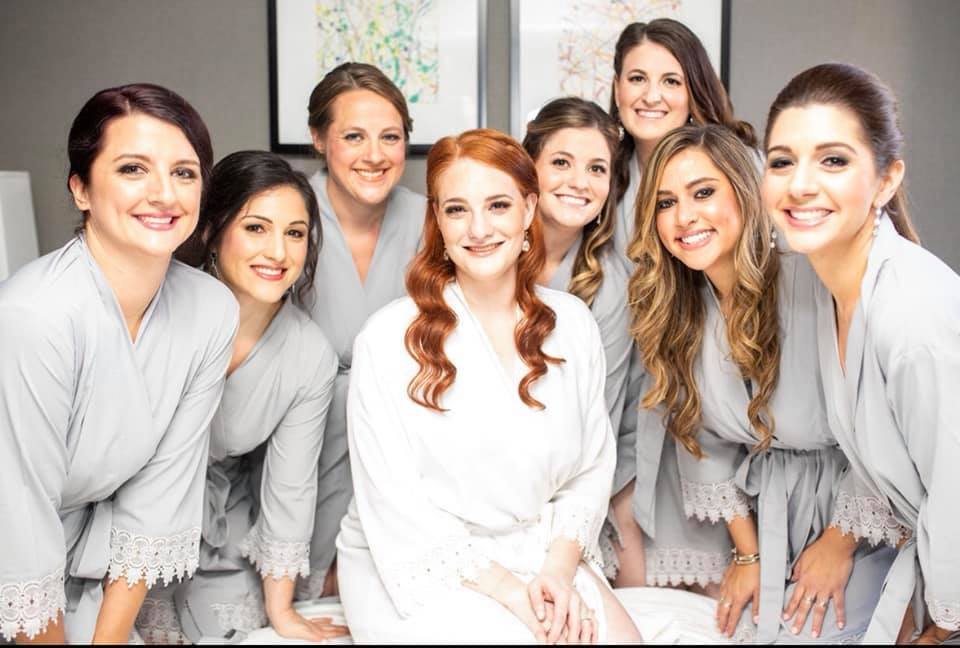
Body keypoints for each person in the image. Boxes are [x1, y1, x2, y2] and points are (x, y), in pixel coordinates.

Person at [336, 128, 642, 643]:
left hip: (540, 550)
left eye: (498, 205)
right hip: (419, 557)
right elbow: (396, 503)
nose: (478, 229)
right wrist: (515, 597)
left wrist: (557, 573)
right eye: (457, 210)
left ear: (528, 209)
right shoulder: (387, 339)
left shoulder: (573, 323)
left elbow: (591, 468)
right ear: (438, 221)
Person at [630, 123, 896, 643]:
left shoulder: (813, 282)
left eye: (703, 193)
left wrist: (838, 545)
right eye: (665, 203)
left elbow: (886, 423)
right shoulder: (682, 312)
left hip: (865, 517)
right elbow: (701, 444)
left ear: (744, 191)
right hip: (771, 523)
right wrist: (749, 554)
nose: (684, 217)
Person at [0, 83, 238, 643]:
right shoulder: (34, 315)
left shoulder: (210, 308)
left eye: (184, 173)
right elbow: (17, 512)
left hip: (85, 563)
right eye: (133, 169)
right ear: (80, 188)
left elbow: (159, 495)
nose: (165, 194)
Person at [763, 62, 960, 645]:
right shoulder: (825, 290)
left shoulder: (912, 311)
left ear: (886, 180)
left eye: (833, 160)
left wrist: (942, 625)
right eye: (782, 161)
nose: (800, 185)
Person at [134, 152, 347, 643]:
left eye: (295, 233)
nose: (278, 252)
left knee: (237, 629)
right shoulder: (152, 311)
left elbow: (290, 488)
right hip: (118, 518)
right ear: (212, 230)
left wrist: (282, 610)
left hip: (220, 533)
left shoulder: (309, 354)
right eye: (256, 228)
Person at [606, 18, 755, 593]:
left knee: (728, 584)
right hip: (632, 396)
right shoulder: (603, 175)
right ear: (616, 87)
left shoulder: (735, 165)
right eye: (637, 78)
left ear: (695, 88)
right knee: (642, 585)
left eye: (671, 80)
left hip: (725, 390)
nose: (651, 95)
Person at [302, 62, 426, 599]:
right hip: (295, 455)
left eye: (390, 137)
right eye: (354, 136)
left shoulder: (435, 222)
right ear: (318, 139)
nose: (374, 155)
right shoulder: (282, 216)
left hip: (403, 461)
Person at [522, 96, 633, 491]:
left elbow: (599, 421)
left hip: (564, 486)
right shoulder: (484, 253)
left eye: (596, 168)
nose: (579, 182)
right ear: (528, 169)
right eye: (561, 162)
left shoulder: (611, 287)